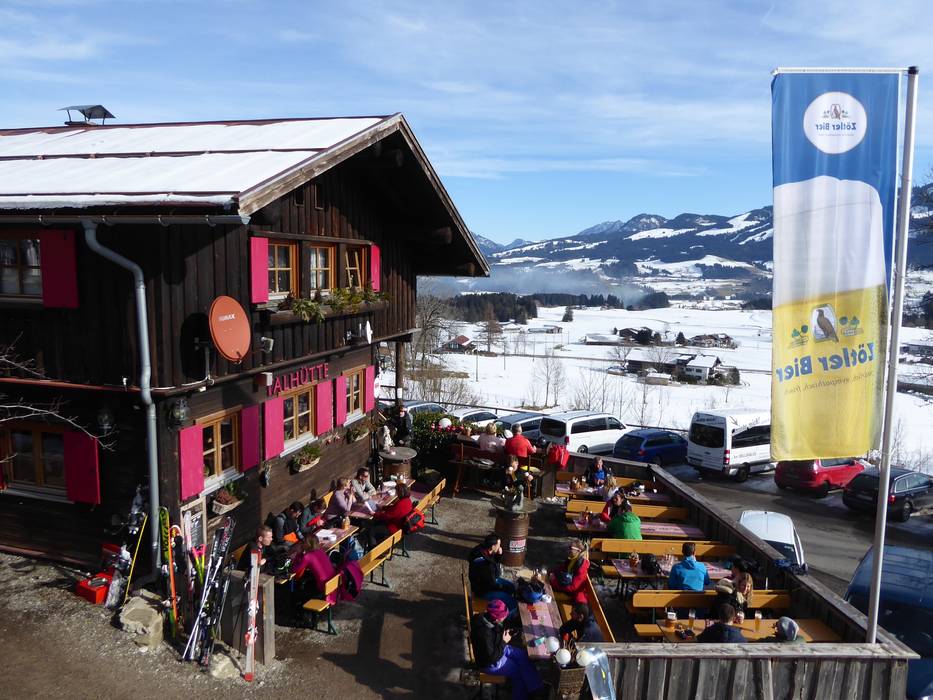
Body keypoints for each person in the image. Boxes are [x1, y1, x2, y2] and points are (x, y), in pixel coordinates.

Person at [470, 599, 545, 700]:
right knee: (518, 673)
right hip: (490, 663)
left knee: (524, 655)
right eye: (503, 616)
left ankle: (536, 689)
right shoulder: (483, 635)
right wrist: (504, 641)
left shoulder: (486, 618)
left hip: (499, 647)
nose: (505, 617)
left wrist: (508, 633)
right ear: (496, 619)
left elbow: (496, 631)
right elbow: (491, 657)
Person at [468, 533, 517, 612]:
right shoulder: (485, 564)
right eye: (499, 545)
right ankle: (508, 615)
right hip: (483, 590)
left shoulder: (483, 550)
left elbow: (494, 567)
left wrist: (499, 555)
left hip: (486, 582)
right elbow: (493, 582)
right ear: (493, 546)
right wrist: (503, 589)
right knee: (510, 600)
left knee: (512, 587)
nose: (500, 547)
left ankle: (504, 606)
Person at [368, 482, 414, 547]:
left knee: (372, 530)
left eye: (397, 492)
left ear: (400, 493)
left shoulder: (400, 504)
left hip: (394, 528)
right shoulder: (407, 500)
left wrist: (375, 514)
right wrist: (383, 507)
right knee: (377, 523)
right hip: (400, 525)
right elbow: (394, 508)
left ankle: (373, 549)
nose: (396, 494)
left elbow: (388, 516)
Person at [549, 538, 590, 604]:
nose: (568, 550)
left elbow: (573, 588)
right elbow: (561, 568)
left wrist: (555, 582)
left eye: (570, 548)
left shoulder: (581, 566)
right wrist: (551, 572)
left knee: (547, 596)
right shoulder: (572, 559)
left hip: (573, 596)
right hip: (566, 589)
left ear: (578, 551)